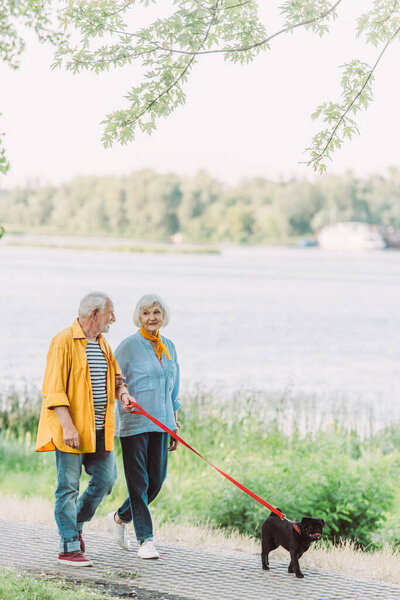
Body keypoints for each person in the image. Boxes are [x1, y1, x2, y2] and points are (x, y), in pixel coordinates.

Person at [36, 291, 135, 567]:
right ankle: (68, 546)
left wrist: (124, 394)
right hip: (72, 431)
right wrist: (67, 426)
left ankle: (75, 523)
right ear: (95, 313)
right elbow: (53, 392)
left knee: (106, 479)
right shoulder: (63, 342)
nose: (113, 319)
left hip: (99, 430)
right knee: (67, 487)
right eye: (110, 314)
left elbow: (117, 379)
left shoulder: (102, 344)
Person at [108, 293, 181, 559]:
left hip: (162, 423)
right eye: (147, 313)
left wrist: (174, 423)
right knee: (138, 483)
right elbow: (115, 379)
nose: (152, 318)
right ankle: (145, 540)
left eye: (156, 313)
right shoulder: (128, 346)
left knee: (156, 482)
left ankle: (119, 517)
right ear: (139, 317)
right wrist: (124, 396)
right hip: (135, 422)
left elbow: (174, 388)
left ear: (163, 317)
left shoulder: (169, 347)